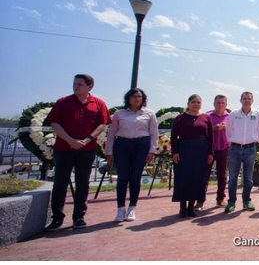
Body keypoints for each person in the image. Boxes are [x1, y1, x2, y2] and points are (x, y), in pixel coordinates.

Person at [44, 74, 110, 231]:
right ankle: (57, 218)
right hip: (64, 149)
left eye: (80, 84)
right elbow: (54, 123)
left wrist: (87, 140)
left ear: (90, 86)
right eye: (74, 83)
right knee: (60, 182)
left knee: (83, 183)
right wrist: (70, 140)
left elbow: (102, 124)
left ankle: (79, 217)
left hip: (86, 149)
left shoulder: (98, 103)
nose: (76, 86)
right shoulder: (63, 102)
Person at [105, 87, 158, 222]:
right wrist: (109, 152)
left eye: (139, 96)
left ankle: (132, 208)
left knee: (135, 177)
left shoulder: (150, 113)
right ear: (128, 98)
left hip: (142, 145)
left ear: (143, 99)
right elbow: (111, 133)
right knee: (123, 177)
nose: (137, 99)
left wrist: (152, 150)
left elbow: (154, 134)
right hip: (122, 145)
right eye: (134, 96)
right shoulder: (119, 114)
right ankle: (120, 209)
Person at [170, 94, 213, 218]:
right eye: (193, 102)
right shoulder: (180, 118)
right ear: (188, 103)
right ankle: (183, 208)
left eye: (198, 102)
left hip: (201, 151)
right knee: (183, 179)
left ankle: (191, 208)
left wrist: (210, 153)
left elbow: (211, 137)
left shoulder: (206, 118)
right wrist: (175, 152)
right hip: (184, 150)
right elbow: (173, 137)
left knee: (197, 179)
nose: (196, 104)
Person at [224, 91, 259, 213]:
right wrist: (231, 140)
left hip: (250, 149)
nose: (247, 100)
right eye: (245, 98)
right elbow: (228, 129)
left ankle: (247, 201)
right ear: (240, 100)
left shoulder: (257, 114)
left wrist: (255, 140)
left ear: (252, 100)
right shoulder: (234, 114)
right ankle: (231, 202)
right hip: (235, 149)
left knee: (248, 178)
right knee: (233, 177)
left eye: (249, 98)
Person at [203, 95, 230, 208]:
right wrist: (212, 129)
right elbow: (201, 130)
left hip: (224, 148)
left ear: (226, 105)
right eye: (218, 102)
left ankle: (220, 198)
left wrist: (225, 127)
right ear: (214, 104)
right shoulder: (207, 115)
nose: (220, 105)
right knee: (204, 174)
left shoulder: (230, 116)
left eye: (223, 103)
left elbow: (234, 130)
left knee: (222, 175)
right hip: (209, 149)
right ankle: (200, 199)